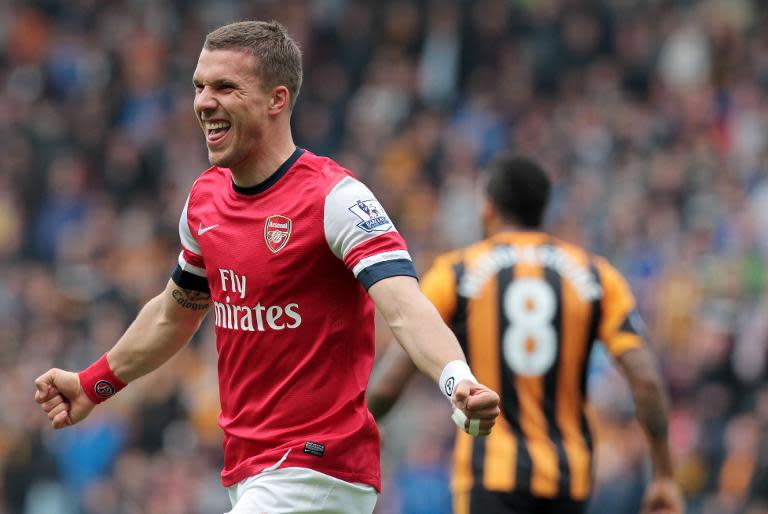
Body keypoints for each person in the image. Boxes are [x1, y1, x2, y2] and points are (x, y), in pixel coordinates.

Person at [33, 20, 500, 514]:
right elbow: (175, 314)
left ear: (277, 100)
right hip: (252, 470)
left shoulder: (336, 199)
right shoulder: (204, 201)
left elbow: (405, 306)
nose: (203, 102)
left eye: (225, 87)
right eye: (199, 86)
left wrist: (456, 379)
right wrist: (93, 383)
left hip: (317, 467)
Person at [367, 155, 685, 514]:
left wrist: (348, 436)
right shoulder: (598, 276)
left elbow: (389, 382)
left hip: (490, 476)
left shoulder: (455, 272)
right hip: (570, 478)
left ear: (488, 208)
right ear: (543, 210)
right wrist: (663, 475)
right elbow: (645, 380)